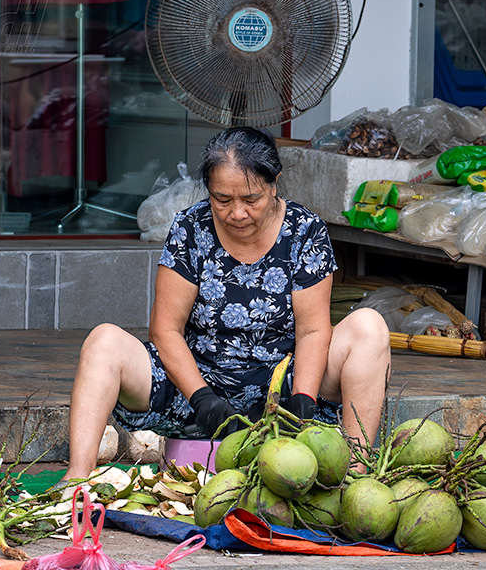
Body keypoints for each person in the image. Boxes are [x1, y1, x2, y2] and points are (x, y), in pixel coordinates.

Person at [61, 126, 390, 483]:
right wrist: (202, 398)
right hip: (192, 391)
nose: (237, 213)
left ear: (274, 183)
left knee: (369, 328)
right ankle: (76, 478)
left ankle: (355, 477)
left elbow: (312, 330)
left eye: (251, 199)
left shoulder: (305, 231)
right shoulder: (191, 228)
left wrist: (302, 401)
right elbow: (166, 330)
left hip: (283, 391)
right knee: (104, 341)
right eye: (222, 199)